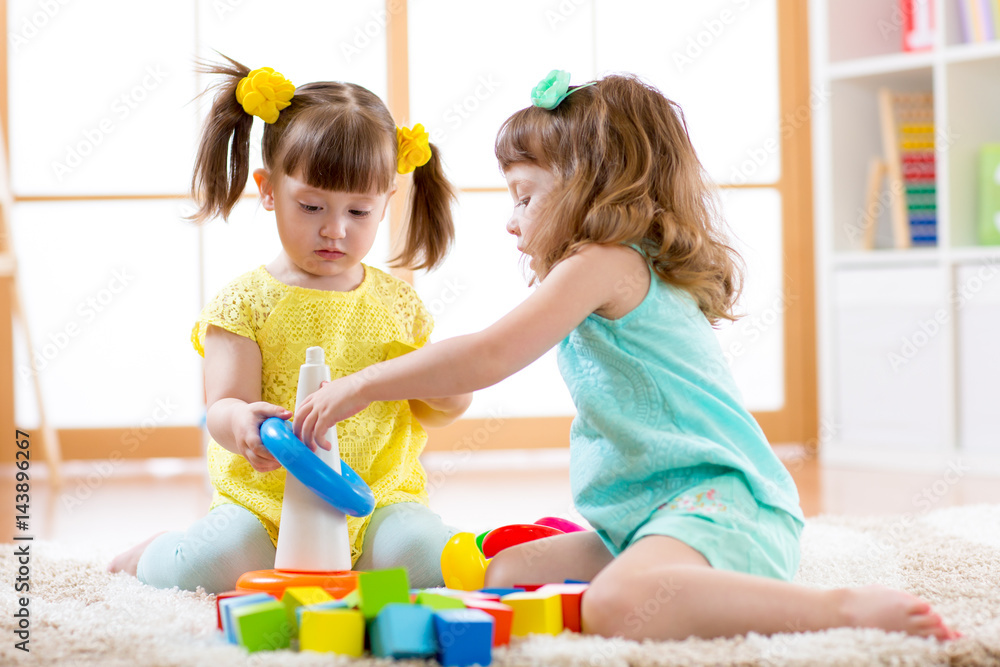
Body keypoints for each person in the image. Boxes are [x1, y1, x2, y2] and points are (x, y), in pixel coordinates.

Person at [292, 71, 959, 641]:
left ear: (590, 185)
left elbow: (491, 353)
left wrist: (366, 384)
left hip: (722, 506)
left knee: (616, 605)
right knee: (505, 575)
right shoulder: (608, 268)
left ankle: (836, 608)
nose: (511, 218)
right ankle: (668, 579)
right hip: (646, 519)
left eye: (525, 194)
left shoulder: (604, 262)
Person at [109, 57, 472, 593]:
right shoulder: (245, 304)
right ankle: (151, 555)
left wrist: (445, 393)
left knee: (427, 559)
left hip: (375, 501)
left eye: (358, 213)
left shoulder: (399, 305)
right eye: (311, 206)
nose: (334, 230)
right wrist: (242, 427)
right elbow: (223, 406)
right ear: (269, 189)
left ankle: (373, 562)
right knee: (203, 570)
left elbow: (441, 405)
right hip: (267, 507)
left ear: (387, 202)